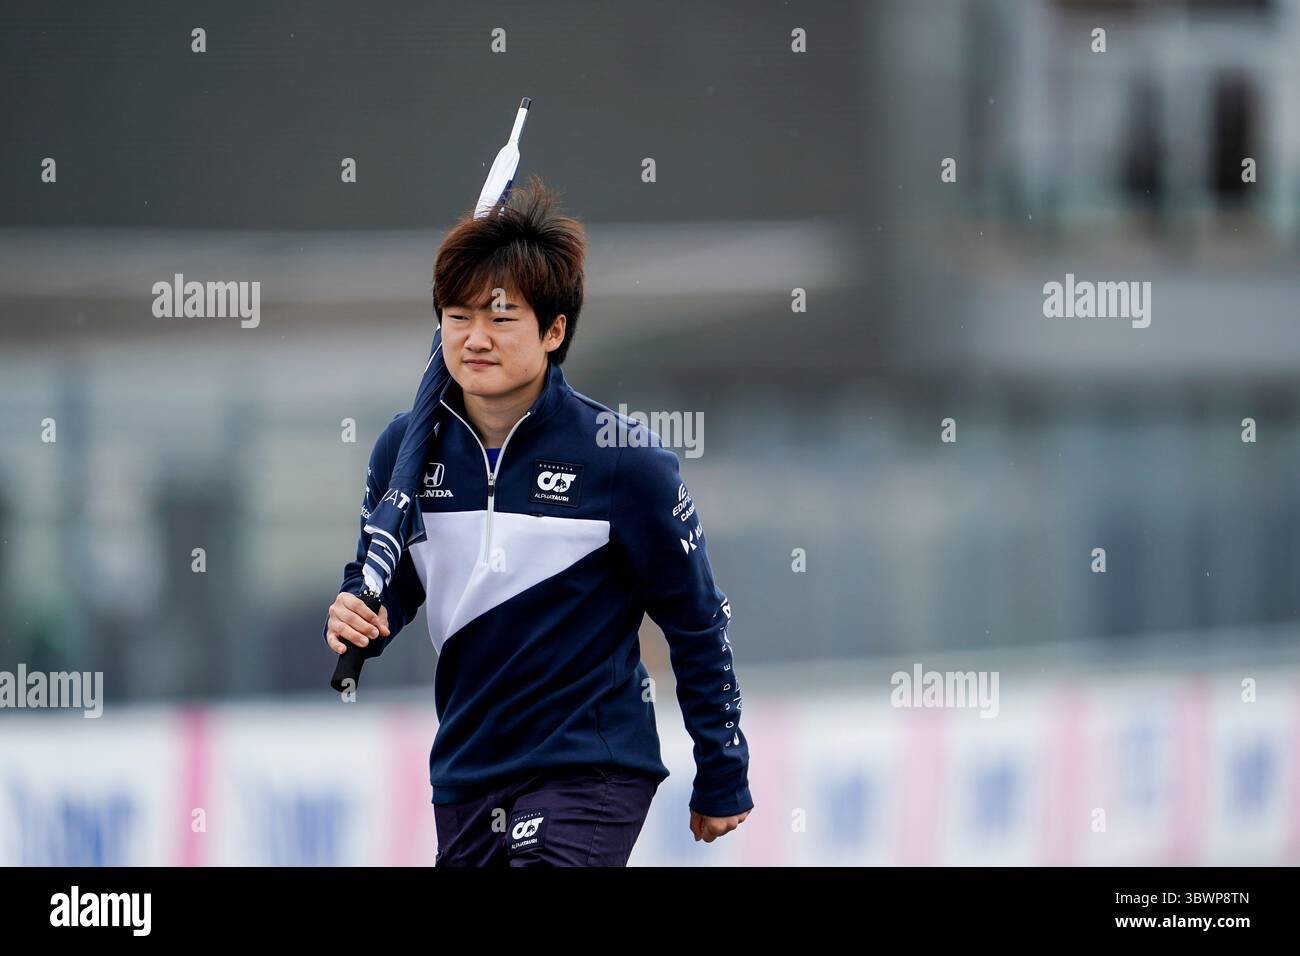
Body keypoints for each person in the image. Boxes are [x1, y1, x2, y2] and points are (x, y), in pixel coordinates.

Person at [323, 176, 752, 866]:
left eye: (500, 318)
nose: (475, 338)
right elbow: (389, 577)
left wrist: (723, 767)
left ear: (554, 331)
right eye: (457, 317)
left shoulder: (623, 461)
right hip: (468, 765)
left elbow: (697, 621)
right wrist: (358, 618)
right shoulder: (402, 449)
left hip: (591, 762)